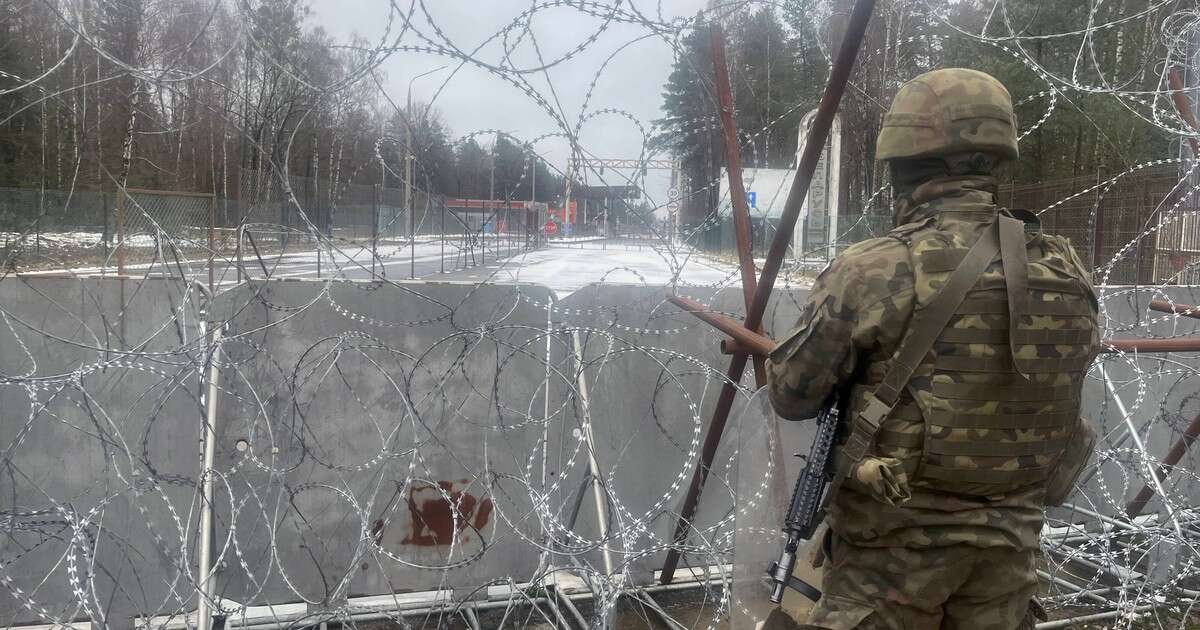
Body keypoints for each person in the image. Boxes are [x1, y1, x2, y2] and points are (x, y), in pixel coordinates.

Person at [765, 68, 1100, 630]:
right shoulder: (1063, 265)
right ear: (996, 158)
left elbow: (792, 395)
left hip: (892, 563)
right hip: (1009, 556)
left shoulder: (876, 267)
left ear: (902, 160)